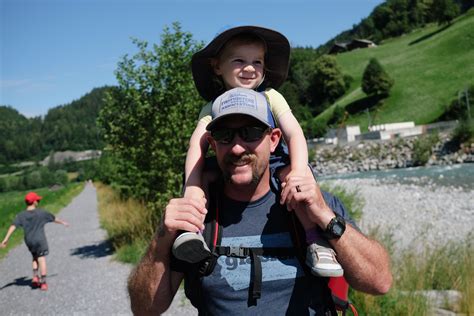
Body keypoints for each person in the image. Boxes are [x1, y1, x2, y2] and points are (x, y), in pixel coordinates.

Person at [128, 88, 392, 315]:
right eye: (224, 135)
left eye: (251, 132)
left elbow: (379, 282)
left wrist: (325, 216)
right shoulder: (196, 215)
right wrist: (162, 237)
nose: (237, 147)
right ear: (212, 143)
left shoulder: (310, 203)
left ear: (274, 139)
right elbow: (145, 309)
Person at [176, 25, 342, 277]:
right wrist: (191, 188)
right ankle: (194, 233)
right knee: (203, 181)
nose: (250, 68)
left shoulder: (271, 97)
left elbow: (294, 133)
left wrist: (298, 170)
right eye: (239, 60)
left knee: (296, 182)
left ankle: (315, 241)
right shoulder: (212, 106)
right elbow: (197, 145)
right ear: (217, 66)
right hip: (228, 163)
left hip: (274, 159)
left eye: (258, 61)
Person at [0, 192, 69, 291]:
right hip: (40, 240)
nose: (38, 201)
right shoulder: (41, 213)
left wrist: (5, 239)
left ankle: (35, 277)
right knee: (41, 259)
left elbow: (13, 226)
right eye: (38, 200)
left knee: (34, 256)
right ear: (34, 202)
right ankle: (43, 282)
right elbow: (53, 219)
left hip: (29, 241)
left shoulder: (21, 215)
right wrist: (63, 222)